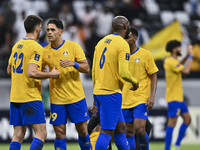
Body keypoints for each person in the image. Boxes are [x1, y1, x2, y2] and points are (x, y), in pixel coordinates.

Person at [7, 15, 60, 150]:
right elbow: (32, 72)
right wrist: (51, 74)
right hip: (29, 95)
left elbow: (9, 70)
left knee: (18, 134)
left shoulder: (16, 46)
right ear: (37, 29)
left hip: (15, 96)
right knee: (41, 133)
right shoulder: (36, 48)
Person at [42, 18, 91, 150]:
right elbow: (37, 71)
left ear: (61, 32)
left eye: (53, 30)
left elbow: (86, 68)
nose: (49, 32)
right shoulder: (44, 52)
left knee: (83, 131)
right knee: (59, 134)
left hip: (76, 97)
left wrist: (73, 63)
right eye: (47, 30)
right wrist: (47, 74)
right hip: (57, 100)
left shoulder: (73, 46)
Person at [92, 16, 139, 150]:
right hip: (110, 92)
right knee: (106, 132)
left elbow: (94, 71)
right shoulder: (122, 44)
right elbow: (124, 72)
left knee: (121, 128)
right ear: (125, 27)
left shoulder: (101, 42)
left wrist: (95, 94)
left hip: (100, 91)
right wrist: (135, 82)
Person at [121, 27, 158, 150]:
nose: (125, 39)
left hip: (141, 98)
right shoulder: (120, 56)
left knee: (140, 129)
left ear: (135, 38)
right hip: (125, 99)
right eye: (124, 37)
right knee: (129, 132)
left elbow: (153, 76)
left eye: (128, 37)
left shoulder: (145, 54)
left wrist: (152, 96)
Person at [164, 40, 193, 150]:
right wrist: (190, 56)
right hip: (173, 98)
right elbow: (186, 70)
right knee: (172, 123)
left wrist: (186, 55)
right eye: (179, 47)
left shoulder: (174, 61)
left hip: (179, 98)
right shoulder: (169, 61)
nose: (181, 49)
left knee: (188, 119)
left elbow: (180, 65)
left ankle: (177, 145)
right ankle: (167, 148)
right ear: (174, 49)